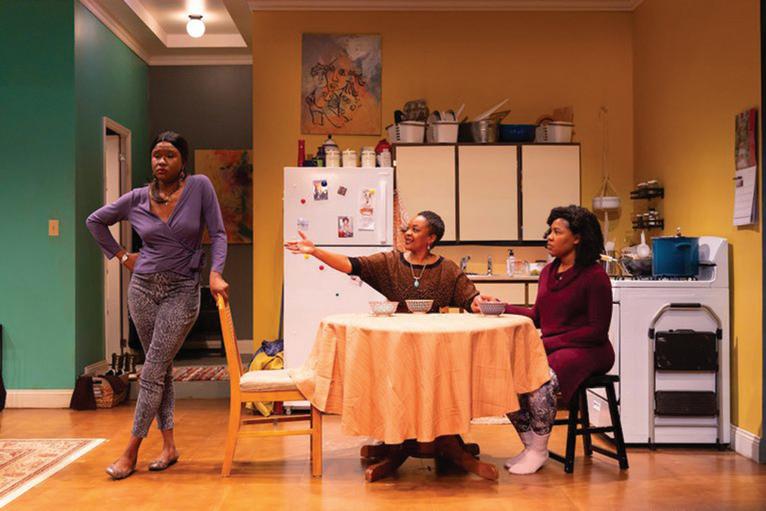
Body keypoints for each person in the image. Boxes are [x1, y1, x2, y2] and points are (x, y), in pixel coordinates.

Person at [86, 131, 229, 480]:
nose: (161, 161)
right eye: (156, 155)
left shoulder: (200, 187)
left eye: (169, 155)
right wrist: (122, 256)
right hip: (142, 290)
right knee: (159, 369)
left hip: (182, 289)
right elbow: (95, 221)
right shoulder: (137, 198)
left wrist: (215, 273)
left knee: (150, 371)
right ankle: (169, 447)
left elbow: (218, 234)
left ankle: (130, 451)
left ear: (183, 161)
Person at [501, 205, 613, 475]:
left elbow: (597, 331)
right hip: (557, 348)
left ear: (577, 238)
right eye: (549, 231)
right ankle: (530, 446)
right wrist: (502, 306)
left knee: (541, 378)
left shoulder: (595, 277)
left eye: (557, 231)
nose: (549, 237)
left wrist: (549, 343)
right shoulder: (548, 273)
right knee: (506, 378)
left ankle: (539, 451)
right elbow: (537, 317)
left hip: (590, 350)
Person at [287, 210, 484, 313]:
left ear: (431, 238)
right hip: (396, 336)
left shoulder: (447, 268)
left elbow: (469, 299)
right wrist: (315, 251)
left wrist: (478, 302)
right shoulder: (390, 262)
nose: (407, 233)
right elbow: (350, 264)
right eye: (407, 229)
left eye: (415, 230)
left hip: (433, 339)